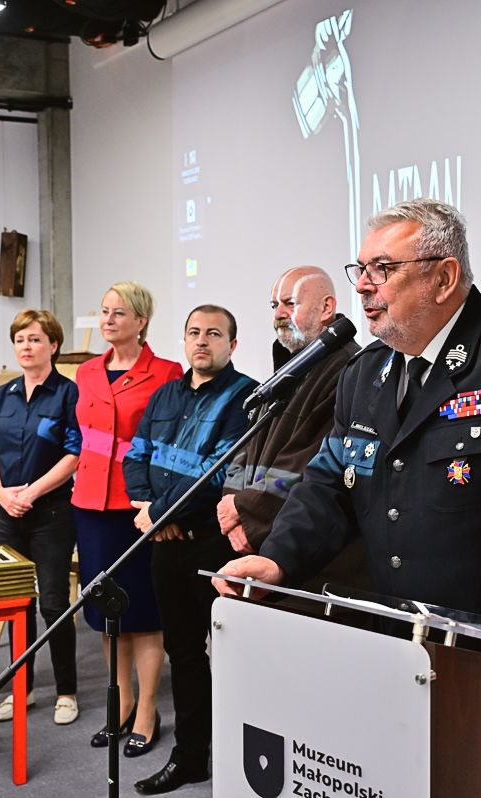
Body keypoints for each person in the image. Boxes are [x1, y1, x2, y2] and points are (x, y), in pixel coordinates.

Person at [215, 199, 481, 797]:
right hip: (405, 674)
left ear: (443, 277)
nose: (363, 286)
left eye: (383, 269)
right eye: (360, 269)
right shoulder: (366, 374)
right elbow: (329, 485)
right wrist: (278, 559)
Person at [125, 306, 258, 794]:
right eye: (194, 333)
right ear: (183, 340)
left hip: (211, 546)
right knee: (183, 653)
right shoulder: (165, 394)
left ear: (232, 345)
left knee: (232, 654)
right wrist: (149, 510)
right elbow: (136, 454)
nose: (202, 341)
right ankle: (190, 758)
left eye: (214, 334)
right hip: (165, 544)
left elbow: (219, 472)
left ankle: (241, 759)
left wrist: (161, 514)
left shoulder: (246, 397)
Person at [72, 282, 183, 754]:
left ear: (141, 321)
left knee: (143, 612)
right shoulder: (86, 372)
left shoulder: (167, 372)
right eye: (104, 311)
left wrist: (160, 503)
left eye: (119, 312)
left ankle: (147, 709)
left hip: (137, 506)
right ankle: (120, 703)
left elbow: (172, 442)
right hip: (90, 504)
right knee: (105, 612)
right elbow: (82, 436)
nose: (108, 319)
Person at [216, 266, 367, 605]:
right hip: (262, 540)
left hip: (307, 553)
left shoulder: (347, 369)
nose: (279, 314)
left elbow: (308, 462)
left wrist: (246, 511)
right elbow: (248, 444)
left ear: (327, 307)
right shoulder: (290, 366)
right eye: (275, 305)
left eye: (290, 303)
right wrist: (232, 501)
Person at [0, 309, 82, 726]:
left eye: (35, 339)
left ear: (53, 345)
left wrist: (32, 492)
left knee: (54, 602)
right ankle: (20, 688)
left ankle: (66, 691)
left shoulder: (67, 393)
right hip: (6, 511)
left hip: (51, 512)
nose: (26, 347)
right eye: (20, 339)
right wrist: (2, 493)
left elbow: (74, 454)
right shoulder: (2, 394)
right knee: (17, 602)